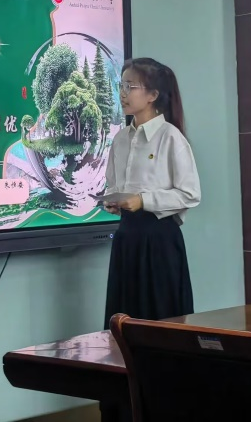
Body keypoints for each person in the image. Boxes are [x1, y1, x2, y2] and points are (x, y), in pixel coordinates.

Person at [102, 57, 201, 330]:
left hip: (159, 241)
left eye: (130, 86)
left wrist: (143, 200)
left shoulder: (171, 137)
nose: (122, 93)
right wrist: (113, 200)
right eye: (121, 85)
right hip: (127, 238)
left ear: (153, 95)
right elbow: (113, 185)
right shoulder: (120, 139)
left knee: (161, 322)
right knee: (124, 321)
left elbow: (190, 194)